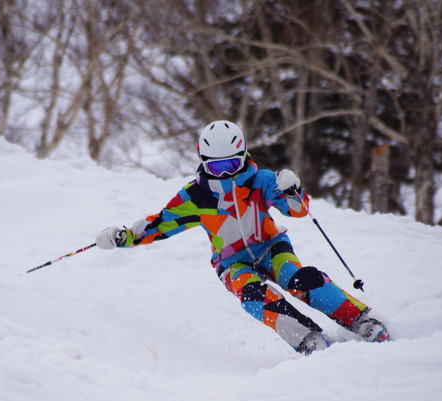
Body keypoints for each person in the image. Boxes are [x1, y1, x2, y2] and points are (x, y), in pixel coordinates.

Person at [95, 120, 391, 355]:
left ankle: (361, 319)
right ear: (203, 161)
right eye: (215, 167)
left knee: (300, 278)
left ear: (244, 156)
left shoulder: (261, 180)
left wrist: (293, 191)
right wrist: (126, 236)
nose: (224, 174)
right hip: (231, 262)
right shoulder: (196, 195)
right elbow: (161, 223)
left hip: (272, 246)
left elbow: (297, 211)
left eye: (231, 165)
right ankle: (308, 339)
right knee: (252, 295)